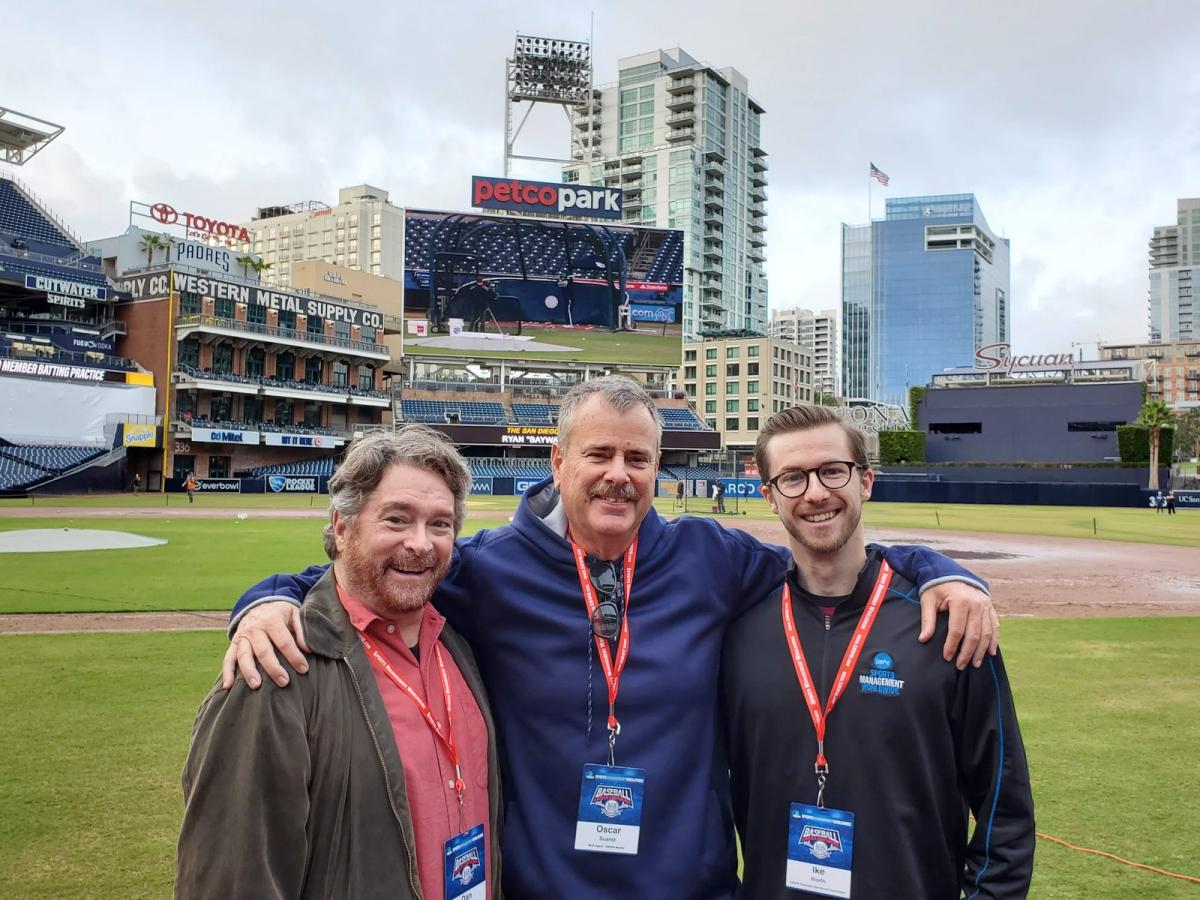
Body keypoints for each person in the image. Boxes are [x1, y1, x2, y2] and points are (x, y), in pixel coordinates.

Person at [222, 377, 997, 899]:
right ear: (559, 461)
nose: (618, 474)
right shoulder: (489, 570)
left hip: (689, 890)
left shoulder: (710, 558)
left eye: (637, 458)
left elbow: (831, 565)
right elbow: (363, 574)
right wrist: (266, 600)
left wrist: (937, 569)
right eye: (599, 454)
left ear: (658, 468)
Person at [176, 428, 502, 900]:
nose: (421, 543)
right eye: (396, 519)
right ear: (343, 527)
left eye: (440, 524)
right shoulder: (274, 673)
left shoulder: (458, 649)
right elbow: (231, 881)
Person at [722, 405, 1034, 898]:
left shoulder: (948, 622)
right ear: (770, 497)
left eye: (832, 471)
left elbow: (1005, 804)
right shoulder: (739, 630)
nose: (816, 493)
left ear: (865, 481)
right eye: (793, 478)